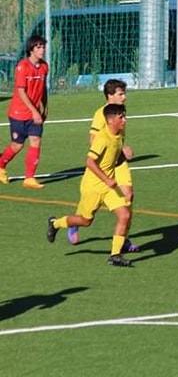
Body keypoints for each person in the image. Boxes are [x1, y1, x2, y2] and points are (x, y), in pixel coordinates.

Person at [46, 104, 136, 267]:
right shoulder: (102, 138)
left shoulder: (119, 136)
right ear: (110, 120)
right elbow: (89, 161)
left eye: (124, 116)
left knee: (125, 214)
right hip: (93, 187)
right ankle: (55, 223)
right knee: (86, 221)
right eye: (121, 117)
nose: (125, 120)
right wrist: (106, 179)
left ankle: (115, 255)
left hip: (108, 188)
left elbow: (114, 160)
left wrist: (124, 157)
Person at [67, 79, 139, 252]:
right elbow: (93, 139)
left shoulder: (121, 113)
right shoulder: (101, 114)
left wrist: (122, 151)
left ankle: (124, 240)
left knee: (128, 196)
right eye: (120, 94)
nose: (125, 97)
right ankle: (74, 222)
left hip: (119, 163)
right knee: (88, 214)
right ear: (110, 96)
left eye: (124, 93)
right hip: (105, 164)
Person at [0, 35, 49, 189]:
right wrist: (34, 111)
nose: (42, 50)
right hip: (18, 113)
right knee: (17, 145)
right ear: (31, 49)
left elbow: (43, 88)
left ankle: (29, 178)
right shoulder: (22, 67)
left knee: (36, 141)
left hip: (34, 114)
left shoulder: (44, 67)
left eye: (43, 47)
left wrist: (45, 106)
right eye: (39, 47)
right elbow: (21, 92)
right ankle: (1, 166)